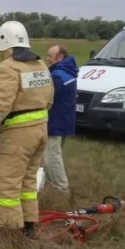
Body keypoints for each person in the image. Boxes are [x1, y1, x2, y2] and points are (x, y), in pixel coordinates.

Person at [0, 21, 54, 238]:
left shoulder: (7, 69)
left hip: (19, 134)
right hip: (41, 129)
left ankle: (8, 232)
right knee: (27, 180)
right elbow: (49, 99)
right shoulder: (41, 66)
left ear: (4, 42)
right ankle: (28, 226)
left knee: (5, 182)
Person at [43, 44, 78, 192]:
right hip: (64, 119)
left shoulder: (58, 76)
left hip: (56, 121)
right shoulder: (67, 71)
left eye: (50, 56)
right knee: (51, 155)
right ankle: (50, 185)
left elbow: (46, 98)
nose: (47, 59)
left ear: (60, 57)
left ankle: (62, 188)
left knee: (51, 157)